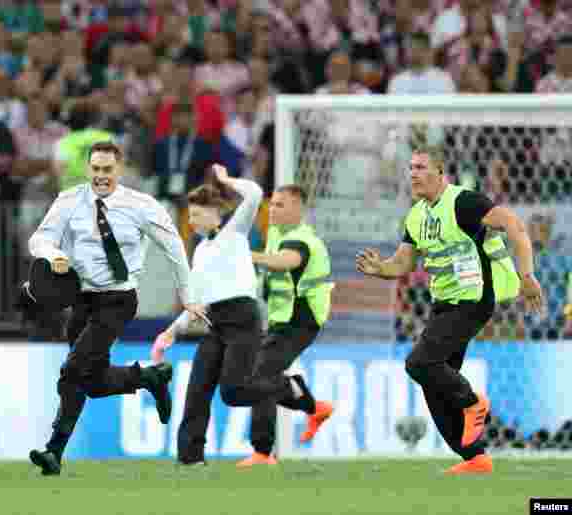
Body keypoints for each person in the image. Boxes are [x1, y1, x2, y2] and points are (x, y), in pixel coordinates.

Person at [356, 146, 544, 474]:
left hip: (473, 299)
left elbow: (514, 225)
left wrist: (526, 275)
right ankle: (475, 457)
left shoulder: (463, 202)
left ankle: (473, 402)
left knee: (419, 363)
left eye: (421, 167)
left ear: (441, 172)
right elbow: (403, 262)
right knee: (433, 381)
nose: (413, 173)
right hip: (443, 304)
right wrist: (381, 269)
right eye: (410, 167)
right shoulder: (416, 216)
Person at [26, 141, 205, 476]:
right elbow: (38, 240)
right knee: (91, 382)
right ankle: (149, 377)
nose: (101, 176)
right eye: (95, 169)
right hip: (82, 298)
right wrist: (53, 255)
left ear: (119, 170)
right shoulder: (69, 200)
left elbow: (174, 248)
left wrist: (188, 296)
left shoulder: (142, 205)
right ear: (88, 169)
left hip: (118, 300)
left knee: (72, 371)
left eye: (107, 170)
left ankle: (53, 451)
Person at [150, 165, 273, 466]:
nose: (190, 222)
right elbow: (197, 302)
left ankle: (283, 389)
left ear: (214, 212)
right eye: (189, 216)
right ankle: (191, 459)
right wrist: (171, 332)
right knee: (197, 389)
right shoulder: (201, 251)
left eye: (195, 215)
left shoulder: (235, 231)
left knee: (232, 391)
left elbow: (255, 193)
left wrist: (226, 180)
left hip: (243, 319)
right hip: (216, 323)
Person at [212, 183, 337, 466]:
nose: (273, 210)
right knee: (258, 377)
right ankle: (312, 406)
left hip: (301, 320)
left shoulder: (301, 239)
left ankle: (262, 451)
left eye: (280, 205)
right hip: (282, 320)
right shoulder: (277, 235)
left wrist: (245, 255)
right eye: (273, 204)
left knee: (259, 377)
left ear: (298, 208)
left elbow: (285, 262)